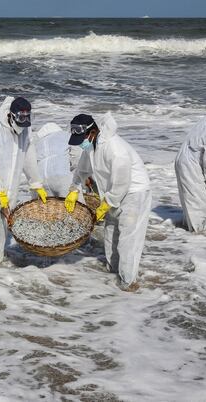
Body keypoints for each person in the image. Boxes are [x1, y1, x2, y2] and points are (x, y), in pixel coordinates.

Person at [65, 112, 151, 291]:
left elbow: (122, 183)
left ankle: (128, 282)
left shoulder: (115, 149)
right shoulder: (91, 147)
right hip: (113, 193)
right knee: (111, 230)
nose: (81, 142)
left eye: (82, 138)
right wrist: (74, 189)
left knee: (128, 236)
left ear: (93, 132)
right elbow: (82, 170)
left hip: (134, 192)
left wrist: (106, 204)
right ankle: (114, 269)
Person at [0, 96, 47, 270]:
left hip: (11, 187)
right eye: (20, 119)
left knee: (3, 228)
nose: (23, 124)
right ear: (11, 115)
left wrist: (36, 183)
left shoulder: (25, 130)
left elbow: (28, 156)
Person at [35, 122, 73, 197]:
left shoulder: (37, 143)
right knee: (76, 206)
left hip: (41, 181)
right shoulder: (66, 135)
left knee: (47, 208)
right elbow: (76, 156)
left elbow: (31, 164)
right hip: (62, 178)